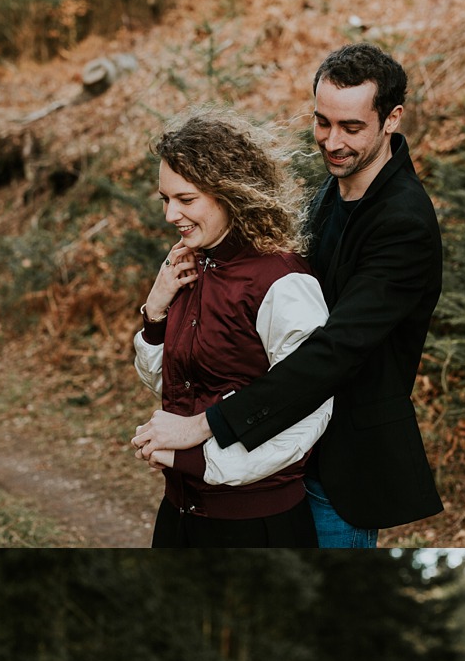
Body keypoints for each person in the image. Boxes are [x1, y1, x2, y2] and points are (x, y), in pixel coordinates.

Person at [133, 46, 443, 551]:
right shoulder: (332, 190)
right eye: (322, 122)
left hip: (339, 469)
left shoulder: (402, 222)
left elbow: (333, 351)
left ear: (392, 119)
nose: (332, 140)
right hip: (276, 457)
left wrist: (204, 427)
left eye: (351, 126)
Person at [131, 114, 332, 547]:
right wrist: (155, 314)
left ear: (230, 193)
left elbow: (307, 409)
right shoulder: (192, 262)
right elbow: (173, 385)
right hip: (179, 514)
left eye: (185, 199)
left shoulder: (282, 281)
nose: (170, 214)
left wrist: (198, 460)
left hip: (257, 526)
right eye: (165, 199)